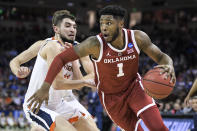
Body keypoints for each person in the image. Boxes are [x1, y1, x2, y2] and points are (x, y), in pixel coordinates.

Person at [28, 5, 176, 131]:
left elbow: (162, 56)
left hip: (135, 88)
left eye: (109, 23)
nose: (104, 27)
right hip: (111, 98)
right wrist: (45, 87)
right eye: (101, 23)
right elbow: (61, 58)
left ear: (121, 24)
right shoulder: (94, 44)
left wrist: (169, 65)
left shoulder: (137, 38)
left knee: (158, 127)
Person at [9, 10, 99, 131]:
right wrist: (18, 71)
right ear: (56, 29)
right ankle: (39, 126)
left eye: (74, 27)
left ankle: (39, 128)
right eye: (67, 26)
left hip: (63, 102)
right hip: (39, 104)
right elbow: (14, 62)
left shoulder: (79, 48)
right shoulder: (46, 45)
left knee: (93, 128)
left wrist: (81, 76)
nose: (72, 29)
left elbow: (93, 74)